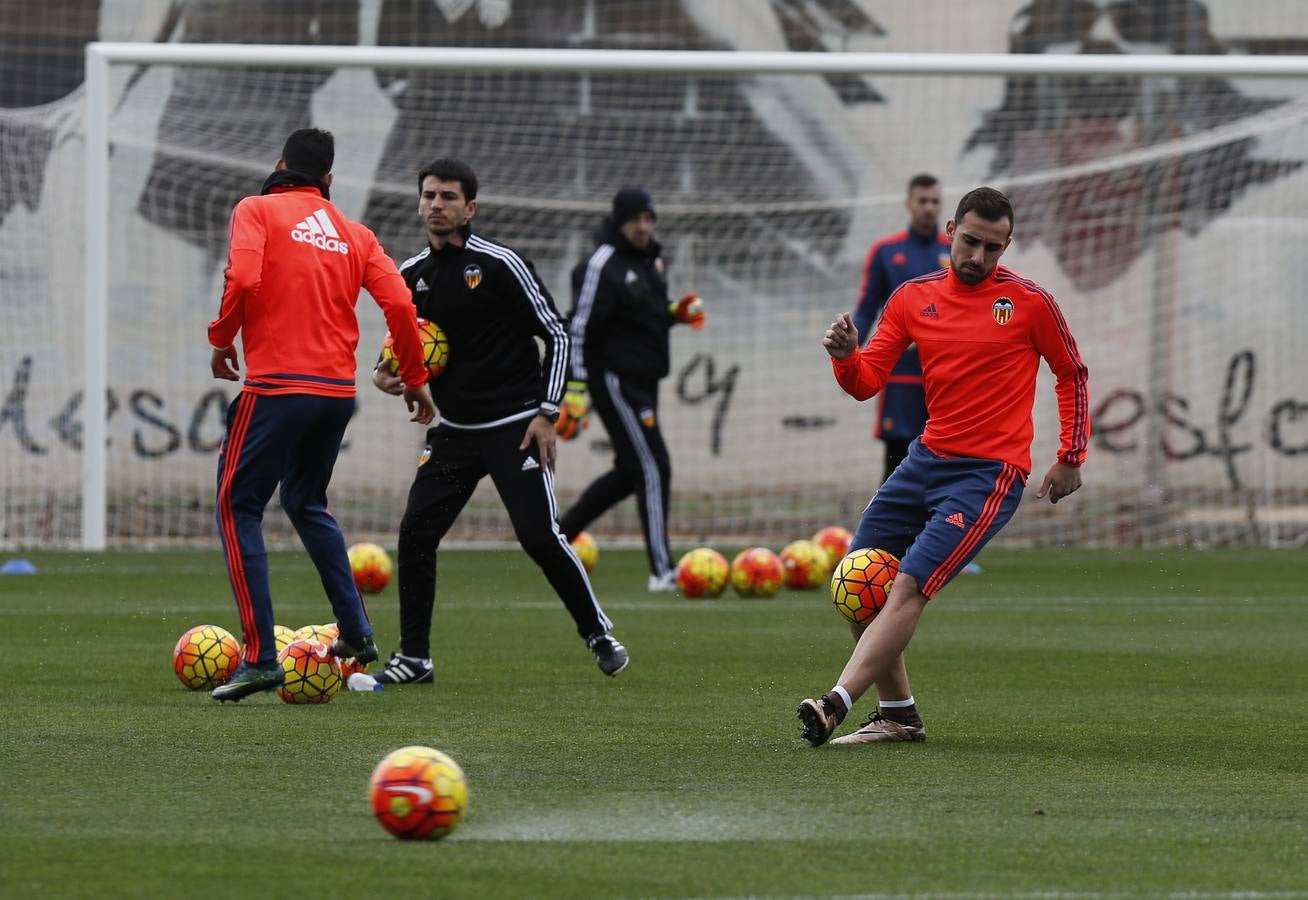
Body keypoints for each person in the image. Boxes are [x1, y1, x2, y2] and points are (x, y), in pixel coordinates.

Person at [797, 186, 1089, 746]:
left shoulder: (1030, 303)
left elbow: (1071, 371)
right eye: (971, 242)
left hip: (988, 474)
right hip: (924, 461)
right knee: (858, 578)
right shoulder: (912, 298)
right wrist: (844, 358)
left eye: (993, 248)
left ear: (1007, 246)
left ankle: (836, 701)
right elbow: (866, 383)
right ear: (951, 232)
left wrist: (1070, 456)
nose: (978, 258)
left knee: (908, 585)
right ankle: (899, 715)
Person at [371, 158, 628, 682]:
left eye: (447, 197)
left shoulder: (500, 264)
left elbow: (556, 334)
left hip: (516, 426)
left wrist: (548, 413)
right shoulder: (409, 275)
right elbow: (400, 351)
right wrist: (387, 375)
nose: (436, 205)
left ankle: (598, 631)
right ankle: (415, 658)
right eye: (428, 195)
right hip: (454, 433)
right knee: (416, 533)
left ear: (470, 207)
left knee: (538, 535)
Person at [207, 128, 437, 703]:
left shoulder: (255, 209)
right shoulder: (355, 234)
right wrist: (415, 378)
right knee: (306, 501)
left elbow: (242, 276)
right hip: (335, 394)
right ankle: (357, 631)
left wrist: (221, 337)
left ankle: (259, 656)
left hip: (276, 388)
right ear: (328, 180)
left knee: (238, 505)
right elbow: (402, 307)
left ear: (280, 164)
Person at [556, 185, 705, 592]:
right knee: (655, 465)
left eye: (649, 218)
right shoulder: (600, 264)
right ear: (620, 221)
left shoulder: (652, 259)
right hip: (615, 380)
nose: (644, 226)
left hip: (645, 378)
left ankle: (556, 535)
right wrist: (576, 389)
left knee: (629, 471)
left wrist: (676, 312)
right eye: (637, 219)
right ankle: (663, 571)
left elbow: (645, 314)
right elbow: (579, 327)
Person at [851, 173, 951, 482]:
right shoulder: (886, 252)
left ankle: (936, 529)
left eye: (934, 202)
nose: (928, 208)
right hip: (900, 376)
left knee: (942, 461)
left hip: (946, 377)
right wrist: (851, 357)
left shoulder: (956, 253)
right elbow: (867, 308)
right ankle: (889, 530)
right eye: (922, 201)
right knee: (897, 464)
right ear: (909, 204)